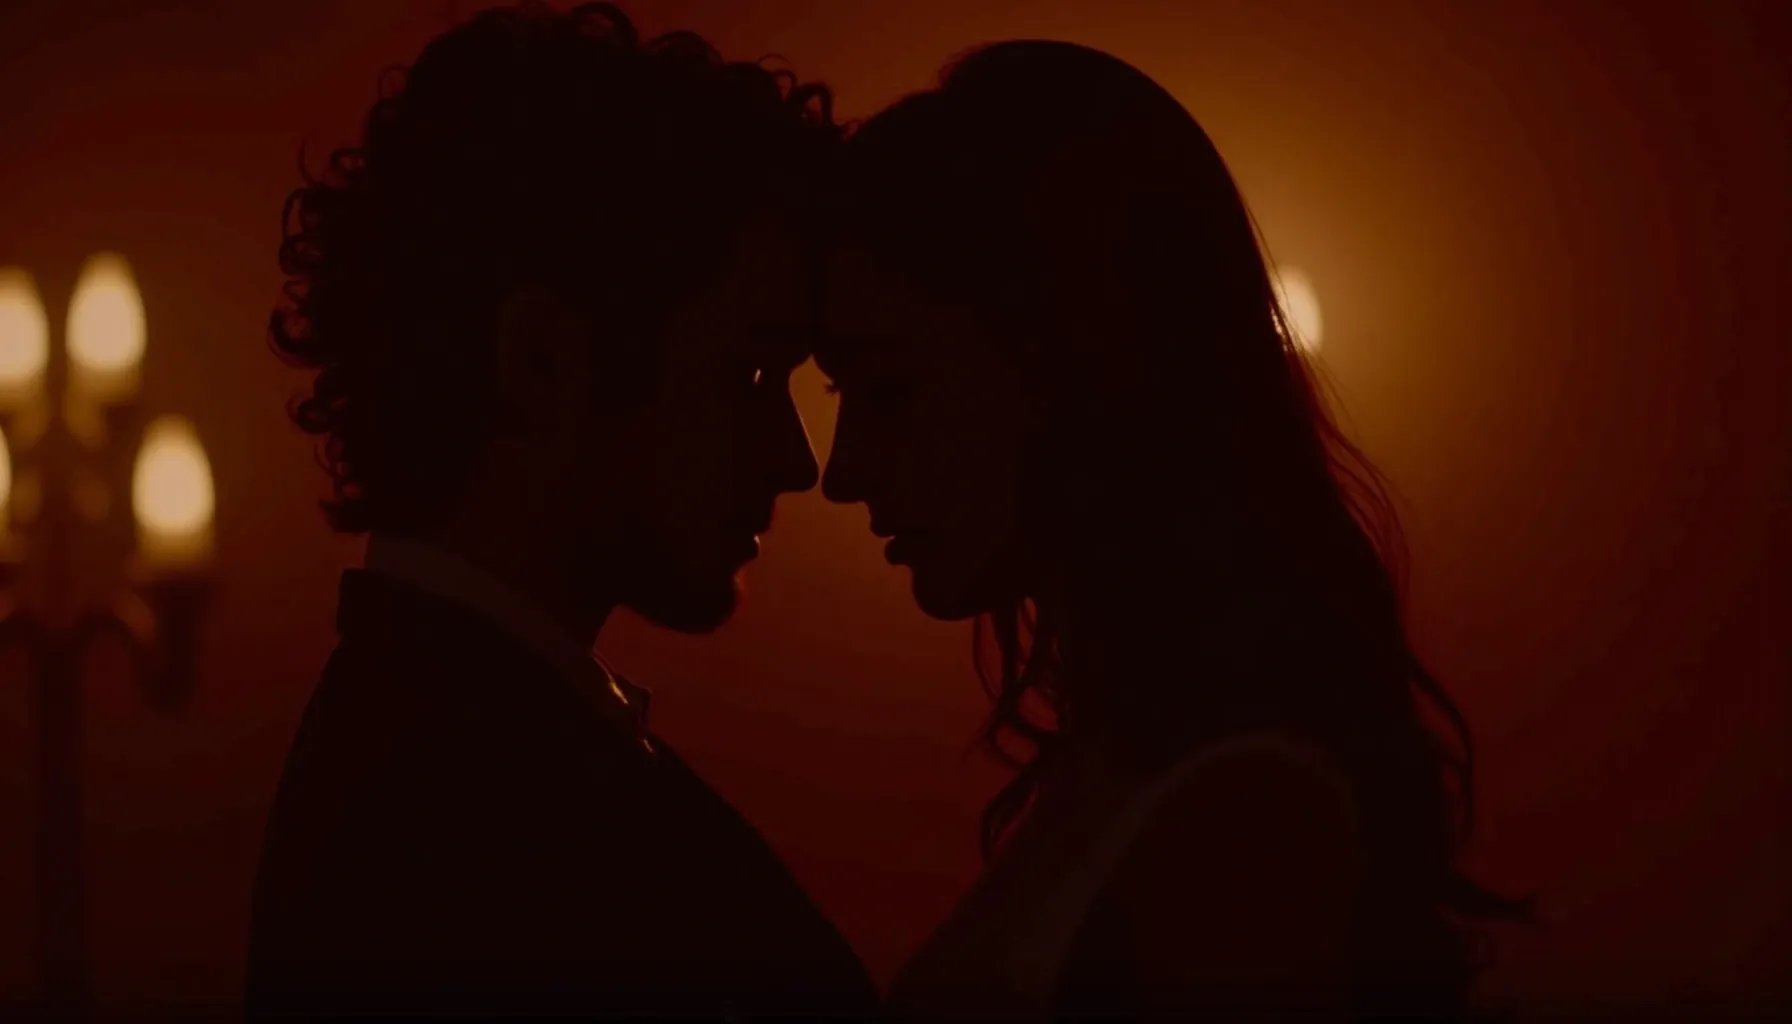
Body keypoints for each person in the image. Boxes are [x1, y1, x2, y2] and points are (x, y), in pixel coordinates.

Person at [816, 40, 1529, 1020]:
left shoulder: (1243, 831)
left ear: (1069, 367)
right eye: (840, 393)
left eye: (891, 390)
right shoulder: (1134, 763)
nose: (844, 470)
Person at [246, 3, 873, 1016]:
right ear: (540, 358)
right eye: (748, 374)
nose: (797, 459)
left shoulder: (437, 748)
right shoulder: (486, 822)